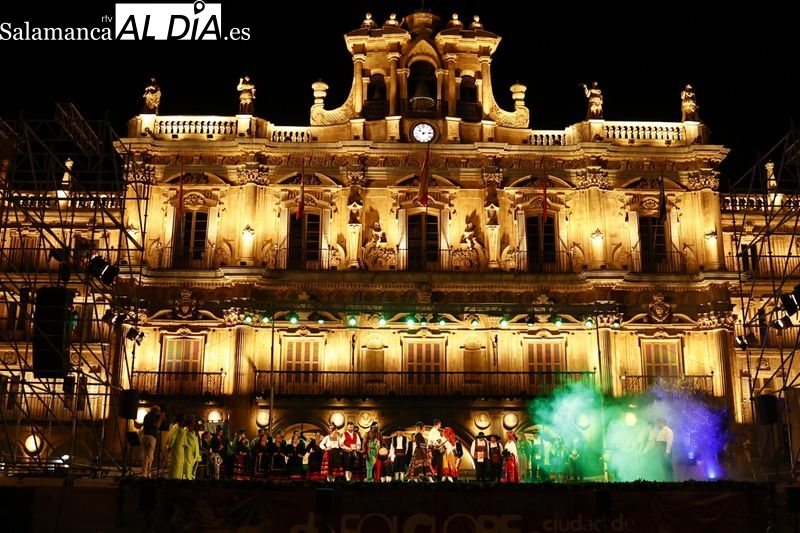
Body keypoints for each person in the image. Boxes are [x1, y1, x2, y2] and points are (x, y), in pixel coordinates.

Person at [139, 405, 164, 479]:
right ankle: (145, 473)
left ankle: (146, 472)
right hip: (151, 437)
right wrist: (160, 418)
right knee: (149, 456)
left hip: (145, 436)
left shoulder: (146, 416)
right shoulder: (156, 416)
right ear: (157, 411)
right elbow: (156, 426)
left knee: (145, 455)